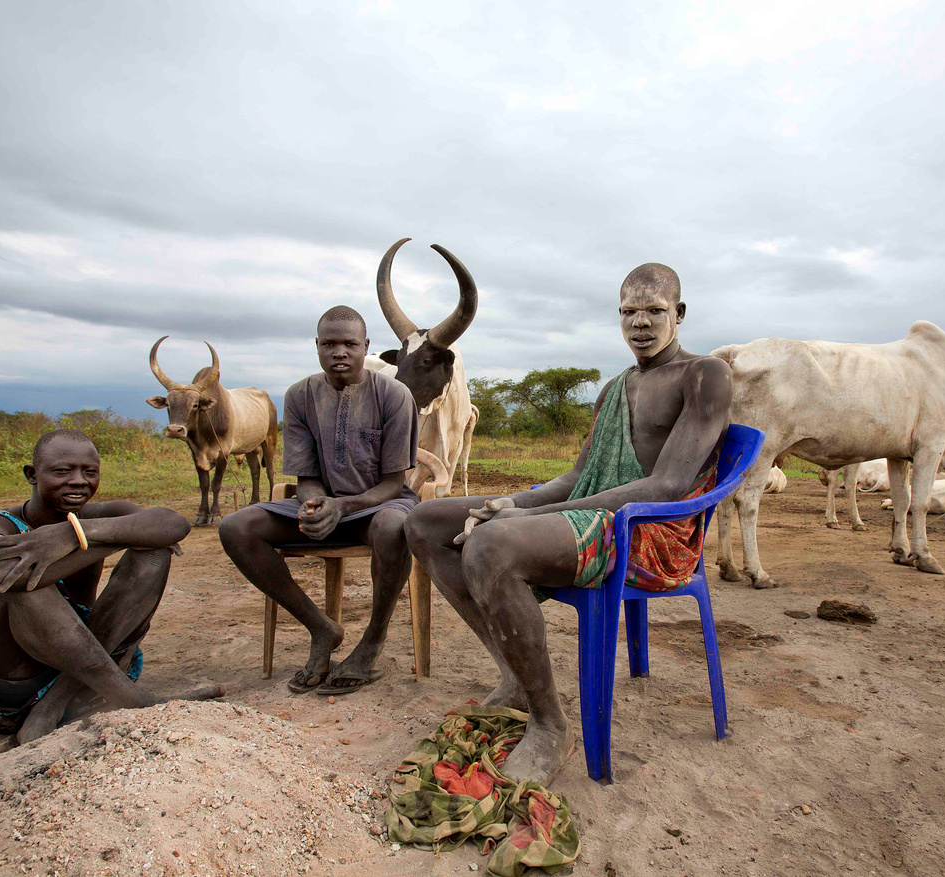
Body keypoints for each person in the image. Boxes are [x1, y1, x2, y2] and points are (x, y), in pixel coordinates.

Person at [405, 263, 732, 785]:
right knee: (424, 520)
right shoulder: (613, 388)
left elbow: (668, 486)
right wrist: (511, 499)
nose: (640, 323)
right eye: (629, 312)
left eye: (654, 311)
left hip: (648, 534)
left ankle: (549, 722)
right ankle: (515, 677)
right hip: (596, 514)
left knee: (492, 547)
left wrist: (528, 514)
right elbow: (578, 476)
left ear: (680, 313)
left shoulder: (704, 374)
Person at [0, 429, 223, 743]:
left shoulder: (92, 517)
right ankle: (135, 701)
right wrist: (111, 538)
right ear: (32, 475)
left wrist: (71, 534)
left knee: (154, 551)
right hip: (8, 692)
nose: (79, 481)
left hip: (88, 688)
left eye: (90, 472)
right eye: (62, 471)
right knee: (22, 577)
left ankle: (52, 706)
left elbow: (173, 525)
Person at [219, 306, 418, 695]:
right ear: (316, 347)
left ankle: (372, 642)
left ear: (366, 347)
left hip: (378, 505)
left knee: (394, 527)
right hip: (326, 506)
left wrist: (344, 506)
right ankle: (321, 628)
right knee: (236, 527)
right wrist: (313, 504)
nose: (339, 352)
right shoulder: (299, 396)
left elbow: (394, 483)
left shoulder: (394, 395)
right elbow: (306, 478)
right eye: (329, 343)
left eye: (349, 343)